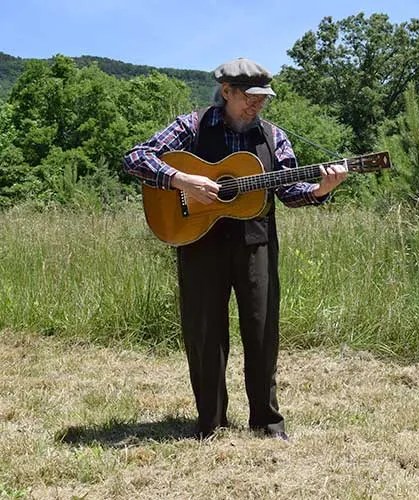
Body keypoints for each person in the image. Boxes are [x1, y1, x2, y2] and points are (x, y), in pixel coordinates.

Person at [123, 57, 348, 440]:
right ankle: (210, 423)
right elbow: (136, 157)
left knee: (262, 332)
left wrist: (321, 190)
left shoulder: (274, 137)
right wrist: (181, 180)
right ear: (226, 92)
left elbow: (291, 192)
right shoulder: (190, 127)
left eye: (264, 98)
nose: (258, 105)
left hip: (255, 244)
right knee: (204, 333)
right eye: (251, 97)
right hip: (198, 241)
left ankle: (266, 423)